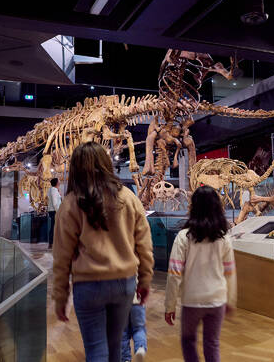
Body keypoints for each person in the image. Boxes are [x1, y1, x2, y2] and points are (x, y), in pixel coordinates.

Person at [53, 142, 154, 362]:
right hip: (124, 283)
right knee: (116, 346)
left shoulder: (70, 204)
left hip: (88, 286)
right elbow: (144, 244)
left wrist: (60, 296)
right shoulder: (128, 197)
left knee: (96, 350)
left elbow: (61, 257)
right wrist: (145, 280)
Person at [164, 186, 237, 362]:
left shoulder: (183, 237)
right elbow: (230, 272)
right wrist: (231, 299)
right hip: (217, 300)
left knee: (188, 341)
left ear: (193, 207)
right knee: (212, 344)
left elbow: (174, 274)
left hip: (192, 301)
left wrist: (170, 305)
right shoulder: (224, 238)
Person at [120, 288, 147, 362]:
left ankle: (125, 359)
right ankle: (140, 348)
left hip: (121, 302)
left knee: (123, 333)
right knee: (139, 329)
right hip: (138, 301)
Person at [47, 177, 62, 248]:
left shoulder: (53, 190)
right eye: (59, 181)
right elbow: (55, 202)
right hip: (55, 211)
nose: (60, 182)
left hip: (54, 211)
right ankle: (52, 243)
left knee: (54, 227)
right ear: (57, 183)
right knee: (54, 228)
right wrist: (58, 211)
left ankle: (52, 243)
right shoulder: (54, 190)